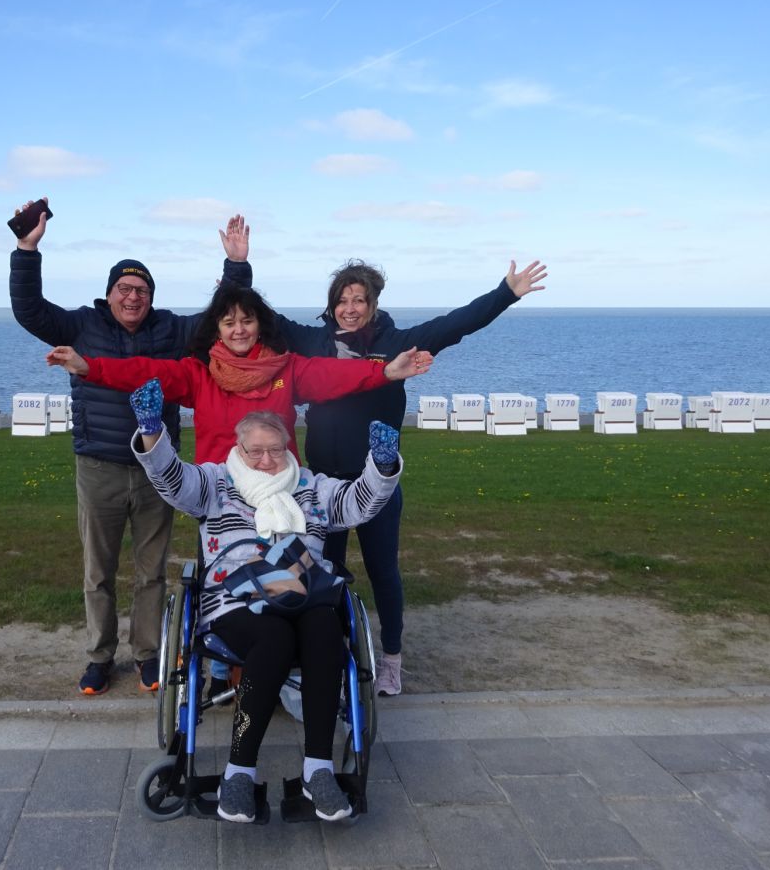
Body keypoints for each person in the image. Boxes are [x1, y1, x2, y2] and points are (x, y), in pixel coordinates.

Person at [219, 215, 547, 696]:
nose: (350, 309)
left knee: (383, 571)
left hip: (376, 483)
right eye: (342, 300)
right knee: (317, 575)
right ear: (331, 306)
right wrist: (238, 265)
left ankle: (391, 658)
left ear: (373, 305)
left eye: (359, 300)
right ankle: (321, 654)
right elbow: (255, 314)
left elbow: (456, 324)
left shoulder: (396, 346)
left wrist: (506, 292)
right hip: (323, 487)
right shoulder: (312, 342)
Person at [8, 197, 252, 697]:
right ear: (110, 295)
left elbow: (221, 319)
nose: (133, 297)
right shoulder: (81, 325)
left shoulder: (172, 330)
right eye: (124, 288)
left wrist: (236, 265)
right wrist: (26, 248)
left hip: (157, 470)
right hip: (97, 464)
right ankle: (100, 656)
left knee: (151, 571)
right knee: (97, 572)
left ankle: (146, 654)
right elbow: (29, 310)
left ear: (151, 297)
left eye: (141, 290)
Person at [129, 382, 404, 823]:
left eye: (275, 449)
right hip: (235, 601)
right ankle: (239, 771)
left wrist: (383, 463)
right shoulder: (217, 483)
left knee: (326, 630)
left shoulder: (312, 486)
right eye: (255, 451)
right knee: (273, 638)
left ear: (288, 445)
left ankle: (319, 770)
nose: (266, 460)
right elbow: (172, 479)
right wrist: (151, 430)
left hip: (304, 595)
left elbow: (359, 504)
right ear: (239, 448)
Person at [44, 283, 434, 464]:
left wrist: (384, 371)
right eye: (229, 323)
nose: (239, 330)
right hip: (219, 499)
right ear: (218, 329)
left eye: (247, 321)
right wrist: (89, 367)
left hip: (280, 490)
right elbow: (146, 371)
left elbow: (334, 374)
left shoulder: (288, 370)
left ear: (259, 326)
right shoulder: (199, 375)